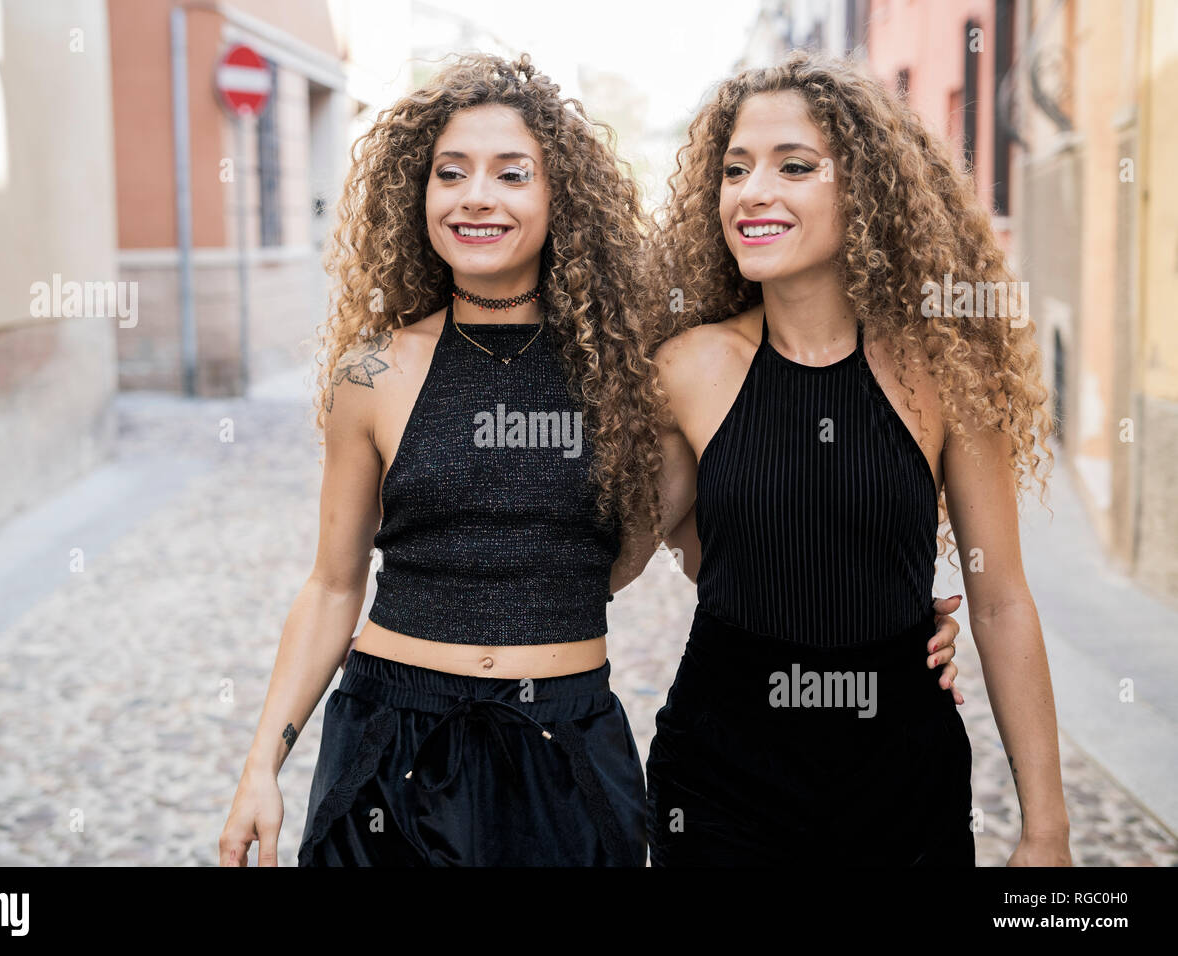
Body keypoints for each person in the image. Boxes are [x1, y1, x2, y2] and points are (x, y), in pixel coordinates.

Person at [217, 51, 965, 867]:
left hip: (565, 747)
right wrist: (263, 763)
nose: (476, 197)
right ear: (416, 193)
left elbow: (714, 533)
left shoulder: (631, 370)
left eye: (511, 174)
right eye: (450, 173)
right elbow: (332, 586)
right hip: (388, 743)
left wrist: (872, 622)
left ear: (558, 195)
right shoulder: (371, 373)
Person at [639, 49, 1071, 866]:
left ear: (864, 193)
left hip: (904, 784)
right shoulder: (688, 369)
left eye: (793, 166)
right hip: (723, 781)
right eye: (735, 170)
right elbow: (629, 553)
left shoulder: (946, 374)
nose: (752, 192)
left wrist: (1047, 830)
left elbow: (1003, 600)